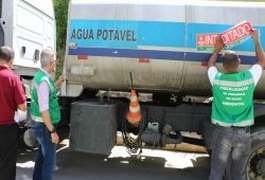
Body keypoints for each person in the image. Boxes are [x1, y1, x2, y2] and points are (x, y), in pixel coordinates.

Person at [207, 30, 265, 180]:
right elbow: (262, 62)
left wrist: (218, 47)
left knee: (216, 172)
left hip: (222, 133)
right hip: (242, 134)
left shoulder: (217, 79)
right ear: (239, 63)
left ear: (223, 66)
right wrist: (256, 40)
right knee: (238, 174)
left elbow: (210, 65)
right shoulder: (249, 78)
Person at [31, 47, 64, 180]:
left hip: (40, 125)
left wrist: (58, 83)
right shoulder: (44, 81)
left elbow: (47, 93)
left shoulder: (41, 77)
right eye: (55, 61)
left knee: (41, 159)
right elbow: (44, 109)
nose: (55, 64)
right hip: (45, 127)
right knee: (49, 163)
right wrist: (52, 131)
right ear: (50, 63)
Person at [0, 46, 27, 180]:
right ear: (11, 61)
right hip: (7, 128)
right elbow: (22, 106)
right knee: (7, 163)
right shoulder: (13, 78)